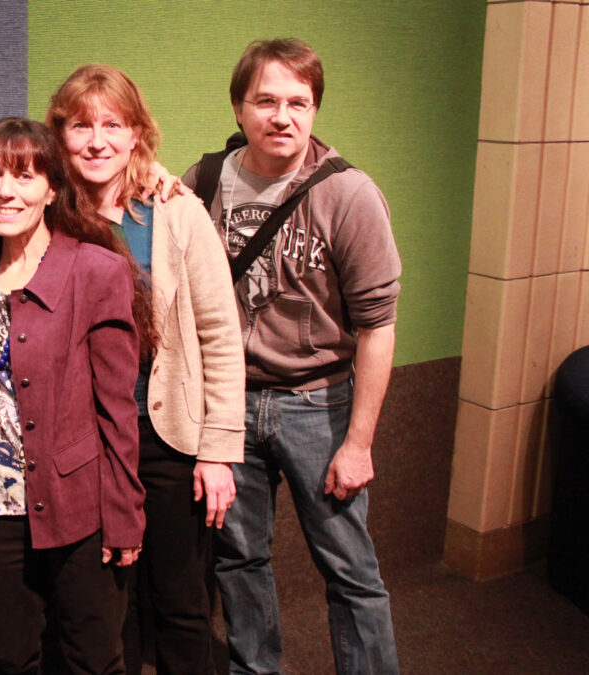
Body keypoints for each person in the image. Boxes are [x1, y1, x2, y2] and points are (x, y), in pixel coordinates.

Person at [181, 38, 402, 674]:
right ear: (239, 106)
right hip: (230, 406)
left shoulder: (349, 194)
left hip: (318, 405)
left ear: (314, 109)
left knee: (350, 569)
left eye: (298, 103)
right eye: (267, 100)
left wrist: (359, 444)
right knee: (239, 559)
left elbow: (378, 327)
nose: (283, 117)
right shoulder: (204, 179)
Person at [45, 65, 246, 675]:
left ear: (136, 134)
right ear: (61, 134)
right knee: (108, 607)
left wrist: (218, 449)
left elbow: (219, 333)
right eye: (81, 125)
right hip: (87, 442)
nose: (97, 140)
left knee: (182, 601)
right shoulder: (46, 213)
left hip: (165, 436)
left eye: (113, 124)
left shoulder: (174, 212)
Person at [0, 117, 144, 675]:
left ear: (52, 188)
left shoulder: (94, 270)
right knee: (11, 659)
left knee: (93, 659)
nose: (6, 191)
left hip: (79, 505)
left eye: (25, 176)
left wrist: (125, 515)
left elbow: (118, 409)